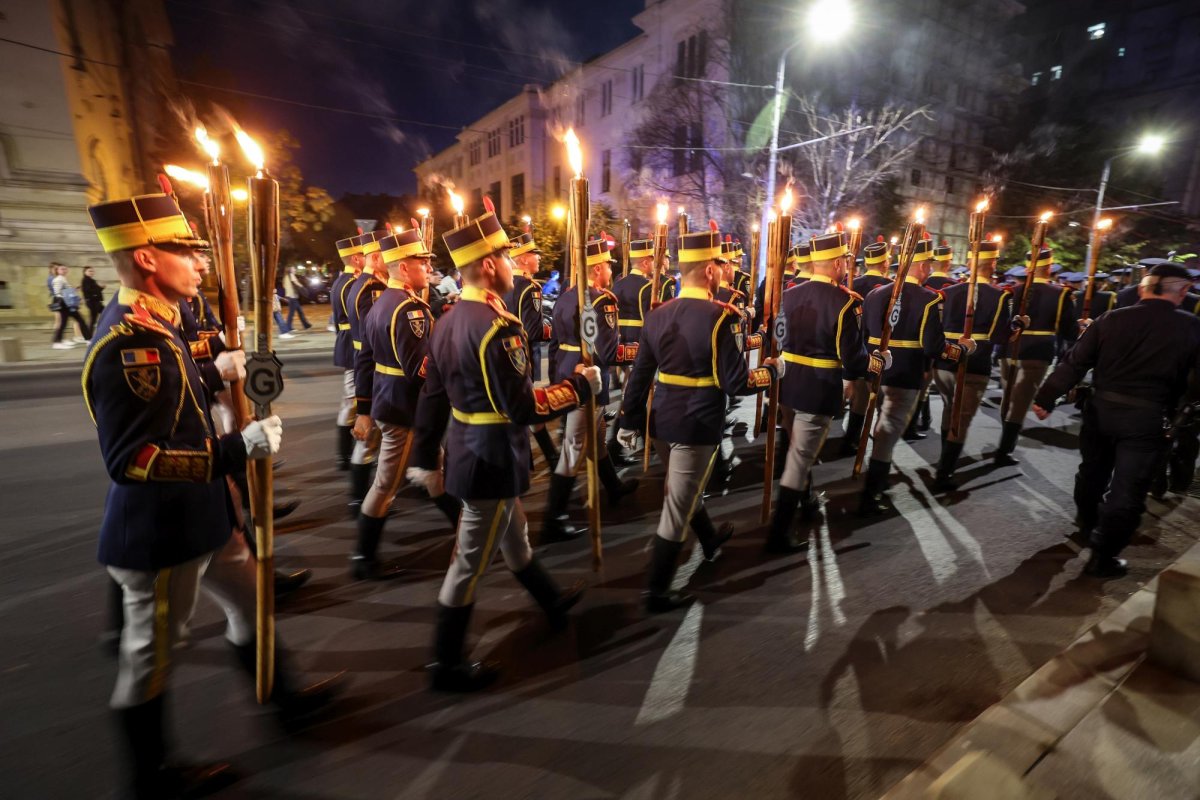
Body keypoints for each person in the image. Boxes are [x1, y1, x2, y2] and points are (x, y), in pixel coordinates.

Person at [83, 193, 334, 799]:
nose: (199, 265)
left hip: (207, 514)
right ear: (146, 257)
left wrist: (211, 371)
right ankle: (152, 776)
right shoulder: (130, 344)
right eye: (185, 253)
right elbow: (135, 461)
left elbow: (177, 393)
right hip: (163, 530)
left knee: (252, 604)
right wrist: (233, 450)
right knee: (151, 655)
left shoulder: (162, 322)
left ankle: (286, 697)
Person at [408, 203, 601, 691]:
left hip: (469, 449)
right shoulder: (499, 327)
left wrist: (424, 455)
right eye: (508, 257)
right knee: (468, 562)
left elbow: (431, 397)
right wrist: (579, 388)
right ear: (489, 265)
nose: (515, 265)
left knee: (514, 538)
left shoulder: (447, 320)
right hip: (490, 457)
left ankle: (551, 601)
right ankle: (446, 664)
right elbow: (521, 409)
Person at [616, 226, 783, 612]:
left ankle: (708, 539)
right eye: (721, 264)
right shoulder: (721, 317)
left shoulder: (657, 314)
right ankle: (656, 590)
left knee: (682, 488)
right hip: (698, 421)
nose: (725, 270)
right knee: (678, 503)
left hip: (662, 419)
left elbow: (641, 374)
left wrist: (629, 420)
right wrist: (773, 372)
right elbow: (736, 383)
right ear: (708, 270)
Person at [1033, 262, 1200, 577]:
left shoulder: (1111, 319)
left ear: (1143, 288)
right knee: (1128, 489)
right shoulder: (1191, 327)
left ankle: (1086, 523)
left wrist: (1046, 397)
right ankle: (1103, 555)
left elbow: (1075, 362)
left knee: (1092, 473)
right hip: (1148, 420)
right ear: (1182, 290)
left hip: (1100, 412)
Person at [350, 228, 461, 580]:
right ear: (401, 266)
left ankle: (464, 527)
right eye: (420, 260)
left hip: (390, 400)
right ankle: (363, 558)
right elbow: (421, 368)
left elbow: (364, 361)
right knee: (385, 483)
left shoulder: (382, 302)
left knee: (434, 468)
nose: (427, 265)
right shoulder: (408, 309)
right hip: (405, 406)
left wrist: (364, 407)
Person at [767, 230, 868, 551]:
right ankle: (779, 533)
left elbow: (778, 335)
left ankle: (807, 500)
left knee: (797, 447)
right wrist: (866, 368)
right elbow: (853, 356)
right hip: (818, 387)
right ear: (837, 263)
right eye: (845, 262)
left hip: (787, 382)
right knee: (798, 459)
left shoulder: (789, 294)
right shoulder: (845, 303)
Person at [858, 238, 973, 515]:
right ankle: (871, 494)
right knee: (888, 431)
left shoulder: (875, 294)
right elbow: (934, 346)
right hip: (905, 372)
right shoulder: (929, 299)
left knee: (881, 426)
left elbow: (862, 335)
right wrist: (961, 351)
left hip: (875, 370)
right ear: (921, 266)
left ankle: (877, 479)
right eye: (929, 265)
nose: (930, 270)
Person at [542, 237, 640, 542]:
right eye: (608, 266)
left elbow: (557, 343)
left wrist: (564, 371)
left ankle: (612, 487)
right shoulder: (602, 301)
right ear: (597, 269)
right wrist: (640, 352)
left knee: (595, 438)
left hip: (568, 372)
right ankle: (553, 517)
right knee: (573, 449)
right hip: (588, 379)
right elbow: (608, 353)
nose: (610, 271)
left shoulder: (567, 297)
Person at [930, 238, 1013, 491]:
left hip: (944, 362)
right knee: (960, 419)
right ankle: (943, 474)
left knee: (948, 410)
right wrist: (1018, 327)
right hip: (975, 364)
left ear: (968, 263)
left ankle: (944, 461)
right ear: (993, 264)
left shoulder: (949, 291)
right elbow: (1000, 337)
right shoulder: (999, 297)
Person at [995, 248, 1075, 465]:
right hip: (1038, 352)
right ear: (1049, 267)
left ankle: (1004, 443)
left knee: (1009, 398)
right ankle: (1004, 450)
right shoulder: (1061, 294)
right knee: (1019, 403)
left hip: (1009, 351)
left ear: (1028, 267)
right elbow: (1069, 332)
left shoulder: (1011, 291)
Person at [501, 231, 558, 467]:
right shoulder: (529, 287)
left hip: (501, 355)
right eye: (534, 254)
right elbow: (533, 331)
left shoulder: (502, 284)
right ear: (523, 258)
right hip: (521, 354)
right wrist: (554, 330)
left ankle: (545, 456)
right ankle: (533, 459)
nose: (538, 258)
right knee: (525, 405)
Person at [344, 230, 388, 515]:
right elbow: (373, 343)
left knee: (375, 441)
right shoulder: (372, 289)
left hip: (368, 367)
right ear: (374, 257)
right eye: (386, 255)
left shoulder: (360, 284)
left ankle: (362, 499)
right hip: (372, 369)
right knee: (370, 440)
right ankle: (360, 501)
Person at [843, 239, 894, 454]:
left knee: (857, 396)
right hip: (874, 348)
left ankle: (852, 438)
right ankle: (855, 440)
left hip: (849, 345)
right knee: (869, 399)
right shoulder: (890, 287)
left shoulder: (853, 282)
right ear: (884, 263)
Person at [331, 234, 365, 471]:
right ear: (356, 258)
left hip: (346, 339)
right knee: (352, 399)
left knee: (350, 398)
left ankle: (345, 454)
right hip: (353, 342)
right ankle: (344, 455)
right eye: (364, 255)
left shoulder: (341, 280)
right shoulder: (352, 283)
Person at [50, 264, 92, 348]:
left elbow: (66, 291)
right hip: (64, 304)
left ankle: (88, 339)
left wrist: (73, 291)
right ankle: (57, 342)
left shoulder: (63, 279)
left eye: (65, 269)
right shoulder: (58, 279)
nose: (64, 270)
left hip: (68, 304)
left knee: (78, 320)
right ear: (57, 271)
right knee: (67, 322)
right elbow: (58, 292)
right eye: (62, 269)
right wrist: (72, 296)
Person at [284, 266, 313, 331]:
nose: (295, 269)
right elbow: (296, 282)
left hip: (291, 296)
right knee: (292, 313)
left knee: (299, 312)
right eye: (293, 268)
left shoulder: (286, 277)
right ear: (290, 270)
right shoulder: (291, 275)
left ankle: (306, 325)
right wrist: (302, 287)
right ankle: (288, 327)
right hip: (292, 297)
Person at [81, 266, 106, 331]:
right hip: (93, 302)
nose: (91, 272)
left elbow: (95, 290)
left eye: (92, 271)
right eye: (89, 271)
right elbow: (88, 290)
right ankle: (90, 335)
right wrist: (100, 287)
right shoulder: (86, 280)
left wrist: (101, 287)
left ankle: (90, 335)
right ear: (84, 272)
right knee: (103, 313)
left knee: (95, 318)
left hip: (95, 301)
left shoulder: (91, 280)